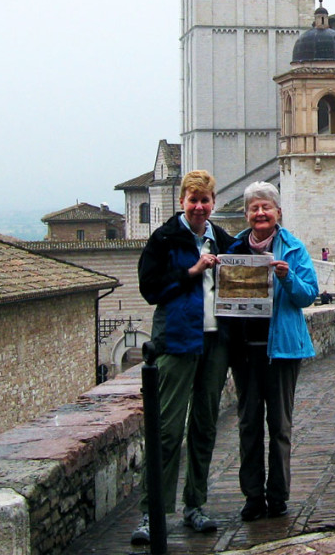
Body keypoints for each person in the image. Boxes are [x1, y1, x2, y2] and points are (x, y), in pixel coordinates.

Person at [131, 170, 234, 546]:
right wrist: (192, 271)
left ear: (213, 203)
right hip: (176, 341)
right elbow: (150, 288)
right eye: (193, 200)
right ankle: (153, 511)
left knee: (205, 426)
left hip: (214, 344)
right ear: (182, 202)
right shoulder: (164, 239)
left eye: (205, 200)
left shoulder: (222, 239)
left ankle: (196, 505)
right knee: (168, 430)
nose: (199, 206)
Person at [224, 181, 319, 522]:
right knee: (249, 425)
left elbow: (308, 295)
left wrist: (287, 277)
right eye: (254, 208)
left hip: (282, 351)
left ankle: (277, 497)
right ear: (246, 214)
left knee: (279, 426)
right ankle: (253, 497)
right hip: (246, 353)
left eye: (266, 207)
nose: (260, 213)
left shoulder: (293, 249)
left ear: (278, 212)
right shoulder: (234, 250)